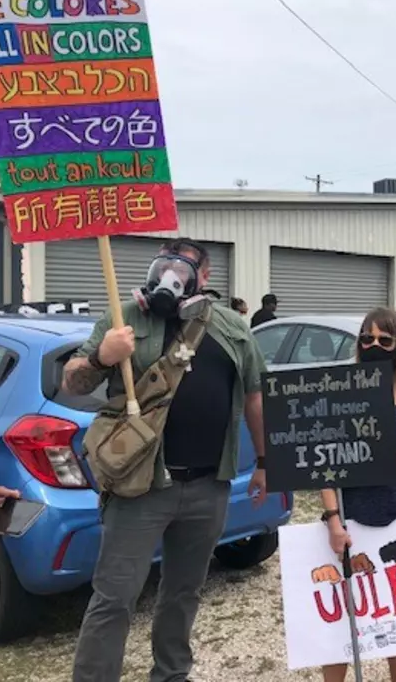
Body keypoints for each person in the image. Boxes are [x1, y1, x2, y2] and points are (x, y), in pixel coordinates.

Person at [63, 237, 267, 682]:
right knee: (114, 596)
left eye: (184, 267)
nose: (170, 275)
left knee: (183, 592)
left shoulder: (233, 326)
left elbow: (255, 395)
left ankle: (172, 674)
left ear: (205, 277)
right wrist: (102, 356)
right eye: (164, 264)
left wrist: (267, 461)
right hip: (141, 487)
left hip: (208, 486)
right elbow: (73, 382)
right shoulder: (125, 319)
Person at [318, 307, 396, 682]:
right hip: (351, 519)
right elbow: (324, 461)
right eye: (366, 339)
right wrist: (332, 519)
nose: (374, 345)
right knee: (340, 626)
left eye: (384, 340)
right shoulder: (342, 393)